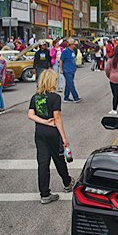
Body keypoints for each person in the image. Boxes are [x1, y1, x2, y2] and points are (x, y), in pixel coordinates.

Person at [27, 69, 74, 204]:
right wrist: (64, 138)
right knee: (59, 159)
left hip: (40, 132)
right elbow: (57, 118)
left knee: (43, 163)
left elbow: (30, 115)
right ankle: (67, 183)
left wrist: (42, 121)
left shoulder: (35, 97)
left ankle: (45, 194)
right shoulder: (55, 97)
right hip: (52, 133)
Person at [59, 38, 81, 103]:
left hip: (72, 70)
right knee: (71, 84)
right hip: (67, 70)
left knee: (68, 84)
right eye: (74, 44)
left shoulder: (73, 51)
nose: (75, 45)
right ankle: (75, 97)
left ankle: (66, 97)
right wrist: (61, 69)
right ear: (70, 44)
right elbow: (61, 60)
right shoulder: (65, 51)